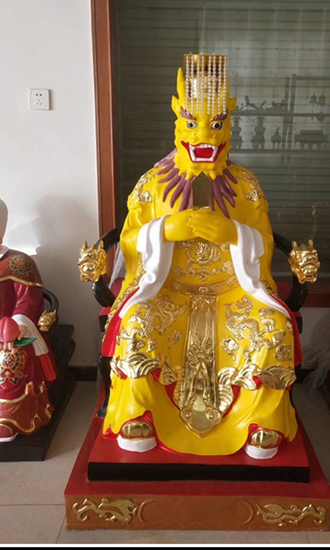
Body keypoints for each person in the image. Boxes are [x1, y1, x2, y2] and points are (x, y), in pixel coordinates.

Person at [100, 55, 302, 458]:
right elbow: (128, 241)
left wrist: (235, 234)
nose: (205, 136)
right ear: (179, 124)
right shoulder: (152, 184)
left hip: (234, 289)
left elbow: (264, 242)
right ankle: (139, 413)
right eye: (193, 125)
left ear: (229, 127)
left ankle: (262, 419)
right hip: (167, 288)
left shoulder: (245, 185)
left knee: (272, 326)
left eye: (216, 125)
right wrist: (163, 231)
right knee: (138, 324)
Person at [0, 182, 56, 442]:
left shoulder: (17, 263)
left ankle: (2, 416)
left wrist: (18, 324)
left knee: (9, 357)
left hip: (1, 337)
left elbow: (28, 301)